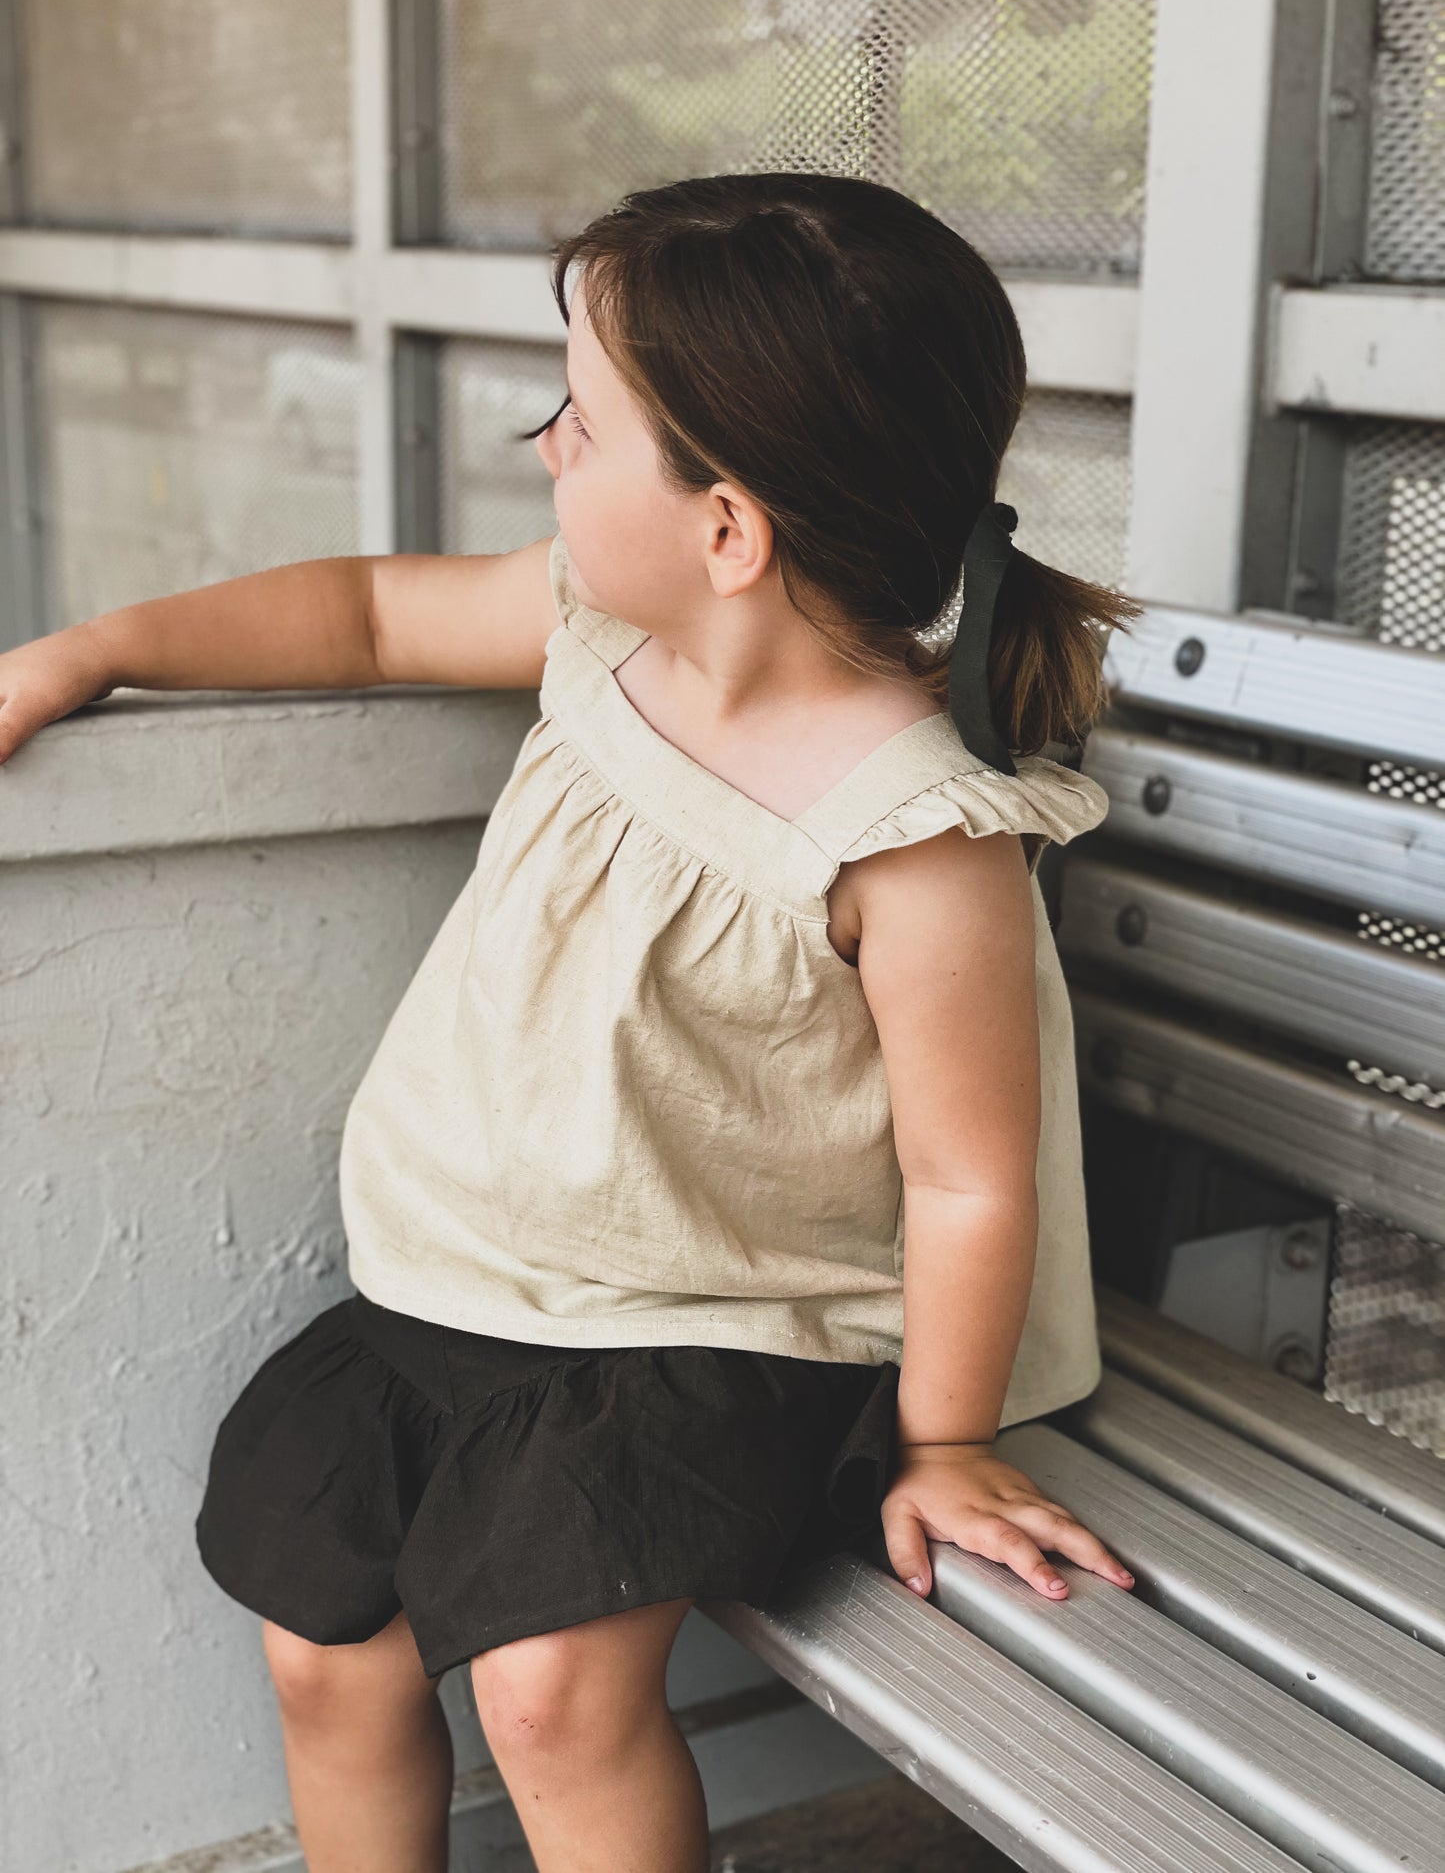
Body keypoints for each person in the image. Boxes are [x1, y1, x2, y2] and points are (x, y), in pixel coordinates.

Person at [0, 172, 1142, 1873]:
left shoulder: (912, 840)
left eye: (580, 424)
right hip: (450, 1283)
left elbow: (970, 1177)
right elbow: (369, 614)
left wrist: (947, 1440)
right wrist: (91, 653)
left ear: (728, 529)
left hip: (697, 1335)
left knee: (546, 1696)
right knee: (324, 1652)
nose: (546, 446)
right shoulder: (596, 634)